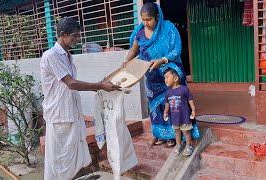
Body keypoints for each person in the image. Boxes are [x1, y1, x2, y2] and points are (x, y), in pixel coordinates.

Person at [40, 17, 120, 180]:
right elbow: (71, 83)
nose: (77, 39)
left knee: (72, 154)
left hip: (71, 112)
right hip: (59, 115)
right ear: (63, 35)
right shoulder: (51, 56)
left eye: (78, 35)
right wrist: (100, 85)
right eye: (74, 36)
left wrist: (101, 84)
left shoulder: (67, 56)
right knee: (60, 159)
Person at [123, 2, 186, 147]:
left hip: (168, 74)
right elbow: (134, 50)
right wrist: (126, 62)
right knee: (155, 107)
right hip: (151, 76)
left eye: (148, 19)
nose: (145, 23)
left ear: (157, 17)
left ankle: (172, 135)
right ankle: (159, 134)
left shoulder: (168, 28)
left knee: (171, 104)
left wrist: (162, 60)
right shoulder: (139, 33)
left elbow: (177, 49)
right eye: (143, 20)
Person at [163, 69, 196, 156]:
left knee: (186, 132)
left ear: (175, 78)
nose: (165, 80)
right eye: (164, 78)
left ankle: (189, 146)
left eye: (167, 77)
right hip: (174, 118)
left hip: (184, 117)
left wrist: (193, 110)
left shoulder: (184, 89)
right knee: (177, 131)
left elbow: (190, 100)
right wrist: (165, 112)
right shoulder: (168, 92)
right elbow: (167, 103)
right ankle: (178, 145)